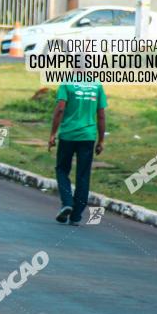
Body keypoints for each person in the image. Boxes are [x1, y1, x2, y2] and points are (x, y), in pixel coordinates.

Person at [48, 76, 107, 225]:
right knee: (83, 175)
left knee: (62, 169)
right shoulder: (97, 85)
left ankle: (67, 202)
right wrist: (101, 140)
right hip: (88, 137)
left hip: (68, 135)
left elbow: (60, 109)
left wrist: (53, 134)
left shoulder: (66, 83)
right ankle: (75, 216)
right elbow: (101, 115)